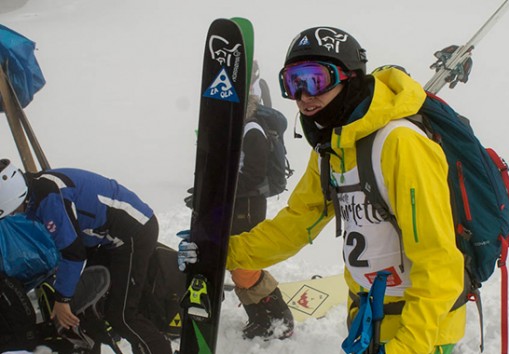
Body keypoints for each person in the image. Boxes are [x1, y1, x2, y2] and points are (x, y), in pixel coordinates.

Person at [180, 26, 465, 353]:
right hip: (367, 320)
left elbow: (439, 261)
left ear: (351, 78)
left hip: (422, 332)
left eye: (315, 79)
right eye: (292, 82)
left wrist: (411, 346)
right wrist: (219, 252)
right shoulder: (332, 151)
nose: (303, 95)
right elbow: (297, 223)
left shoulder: (400, 144)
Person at [0, 159, 172, 354]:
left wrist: (62, 300)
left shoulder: (48, 197)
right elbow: (75, 240)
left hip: (134, 232)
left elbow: (74, 253)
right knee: (87, 304)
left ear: (12, 199)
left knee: (122, 315)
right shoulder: (36, 188)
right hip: (108, 237)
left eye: (10, 212)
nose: (13, 215)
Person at [183, 89, 294, 340]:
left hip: (247, 205)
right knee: (235, 262)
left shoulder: (251, 128)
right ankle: (260, 317)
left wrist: (213, 193)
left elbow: (252, 175)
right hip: (237, 204)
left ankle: (279, 318)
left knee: (244, 266)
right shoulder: (238, 128)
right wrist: (207, 190)